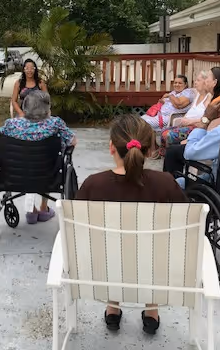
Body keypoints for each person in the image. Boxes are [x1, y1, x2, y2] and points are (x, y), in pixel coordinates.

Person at [76, 114, 187, 335]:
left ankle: (113, 307)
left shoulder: (93, 185)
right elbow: (182, 230)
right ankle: (152, 310)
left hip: (103, 269)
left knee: (112, 251)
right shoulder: (166, 183)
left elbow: (79, 232)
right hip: (157, 268)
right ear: (148, 151)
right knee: (154, 251)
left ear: (111, 147)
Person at [0, 91, 76, 224]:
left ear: (25, 107)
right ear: (47, 108)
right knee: (50, 160)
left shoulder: (11, 125)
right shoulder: (55, 124)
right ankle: (44, 208)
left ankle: (32, 211)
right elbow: (72, 141)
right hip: (48, 174)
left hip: (14, 175)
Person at [159, 71, 211, 153]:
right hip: (186, 124)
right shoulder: (197, 95)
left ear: (205, 82)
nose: (195, 83)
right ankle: (168, 155)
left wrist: (191, 121)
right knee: (163, 131)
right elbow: (190, 111)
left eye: (198, 80)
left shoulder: (209, 97)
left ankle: (172, 155)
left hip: (197, 127)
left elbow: (208, 118)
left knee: (168, 135)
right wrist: (184, 119)